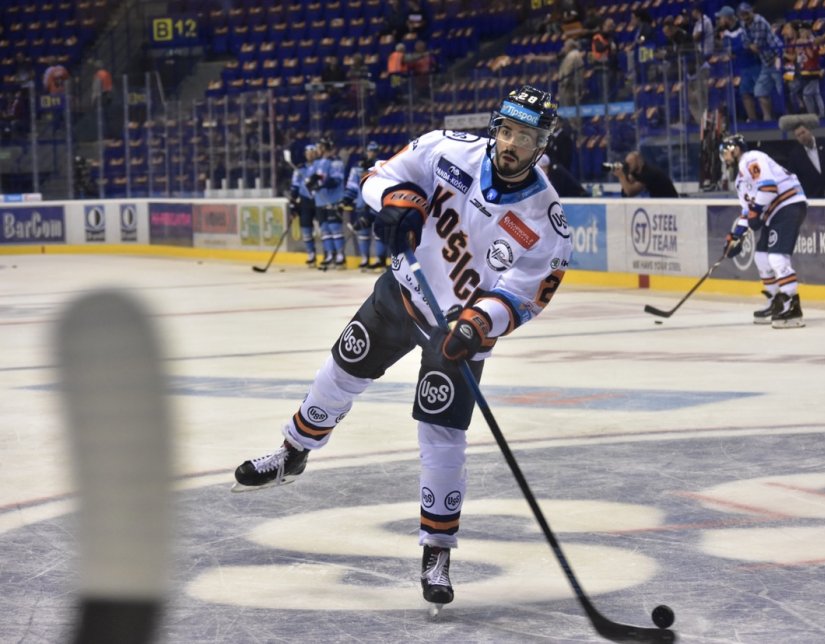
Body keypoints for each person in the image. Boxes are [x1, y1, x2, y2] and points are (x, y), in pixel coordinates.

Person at [231, 86, 573, 609]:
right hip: (401, 294)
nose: (510, 144)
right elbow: (376, 178)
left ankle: (437, 550)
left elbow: (525, 296)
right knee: (340, 371)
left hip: (456, 333)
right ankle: (292, 452)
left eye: (524, 137)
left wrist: (480, 322)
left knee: (441, 435)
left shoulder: (546, 221)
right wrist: (394, 201)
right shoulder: (445, 149)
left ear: (542, 145)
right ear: (495, 127)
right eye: (506, 131)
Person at [719, 134, 808, 328]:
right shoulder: (740, 181)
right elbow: (747, 211)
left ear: (735, 149)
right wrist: (735, 236)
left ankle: (792, 306)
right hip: (774, 212)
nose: (724, 158)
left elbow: (769, 188)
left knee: (777, 258)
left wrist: (756, 211)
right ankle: (775, 302)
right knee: (761, 256)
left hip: (788, 204)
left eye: (725, 152)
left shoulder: (751, 158)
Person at [341, 141, 388, 270]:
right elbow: (352, 185)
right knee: (363, 233)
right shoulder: (357, 167)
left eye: (374, 151)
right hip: (362, 203)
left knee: (379, 232)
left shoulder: (382, 165)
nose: (371, 153)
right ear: (366, 151)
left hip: (377, 204)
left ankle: (380, 259)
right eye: (370, 150)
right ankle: (365, 259)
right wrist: (347, 199)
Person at [738, 2, 784, 122]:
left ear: (751, 11)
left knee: (782, 89)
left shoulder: (759, 21)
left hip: (777, 57)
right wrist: (750, 45)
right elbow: (744, 42)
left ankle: (789, 116)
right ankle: (768, 119)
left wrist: (750, 45)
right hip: (766, 62)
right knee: (759, 91)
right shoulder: (743, 23)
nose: (745, 17)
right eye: (742, 14)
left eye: (746, 13)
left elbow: (758, 44)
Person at [716, 6, 761, 123]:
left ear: (727, 18)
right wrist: (736, 51)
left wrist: (737, 50)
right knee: (745, 93)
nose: (719, 21)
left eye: (721, 18)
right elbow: (729, 51)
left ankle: (768, 119)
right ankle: (753, 120)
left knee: (761, 93)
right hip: (742, 67)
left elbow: (746, 46)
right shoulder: (726, 33)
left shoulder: (744, 27)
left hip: (755, 64)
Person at [308, 136, 347, 268]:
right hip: (320, 200)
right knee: (324, 229)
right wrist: (311, 182)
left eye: (319, 147)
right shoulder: (317, 163)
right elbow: (313, 177)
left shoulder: (336, 162)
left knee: (334, 228)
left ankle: (340, 256)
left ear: (324, 148)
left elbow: (336, 180)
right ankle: (329, 255)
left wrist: (322, 184)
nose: (317, 150)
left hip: (333, 199)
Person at [783, 117, 825, 198]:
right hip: (813, 196)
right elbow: (794, 178)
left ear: (809, 130)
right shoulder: (795, 155)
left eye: (803, 132)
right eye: (798, 135)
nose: (802, 136)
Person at [290, 144, 321, 267]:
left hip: (319, 199)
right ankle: (311, 255)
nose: (310, 155)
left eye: (312, 152)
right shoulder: (300, 168)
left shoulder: (320, 166)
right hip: (305, 201)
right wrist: (293, 204)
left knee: (324, 229)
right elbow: (295, 186)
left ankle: (329, 255)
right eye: (308, 153)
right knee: (306, 228)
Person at [613, 151, 679, 197]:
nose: (628, 166)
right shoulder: (636, 173)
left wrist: (621, 176)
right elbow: (625, 194)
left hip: (669, 201)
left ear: (639, 161)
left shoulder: (649, 172)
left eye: (630, 163)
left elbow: (630, 192)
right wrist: (626, 177)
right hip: (658, 201)